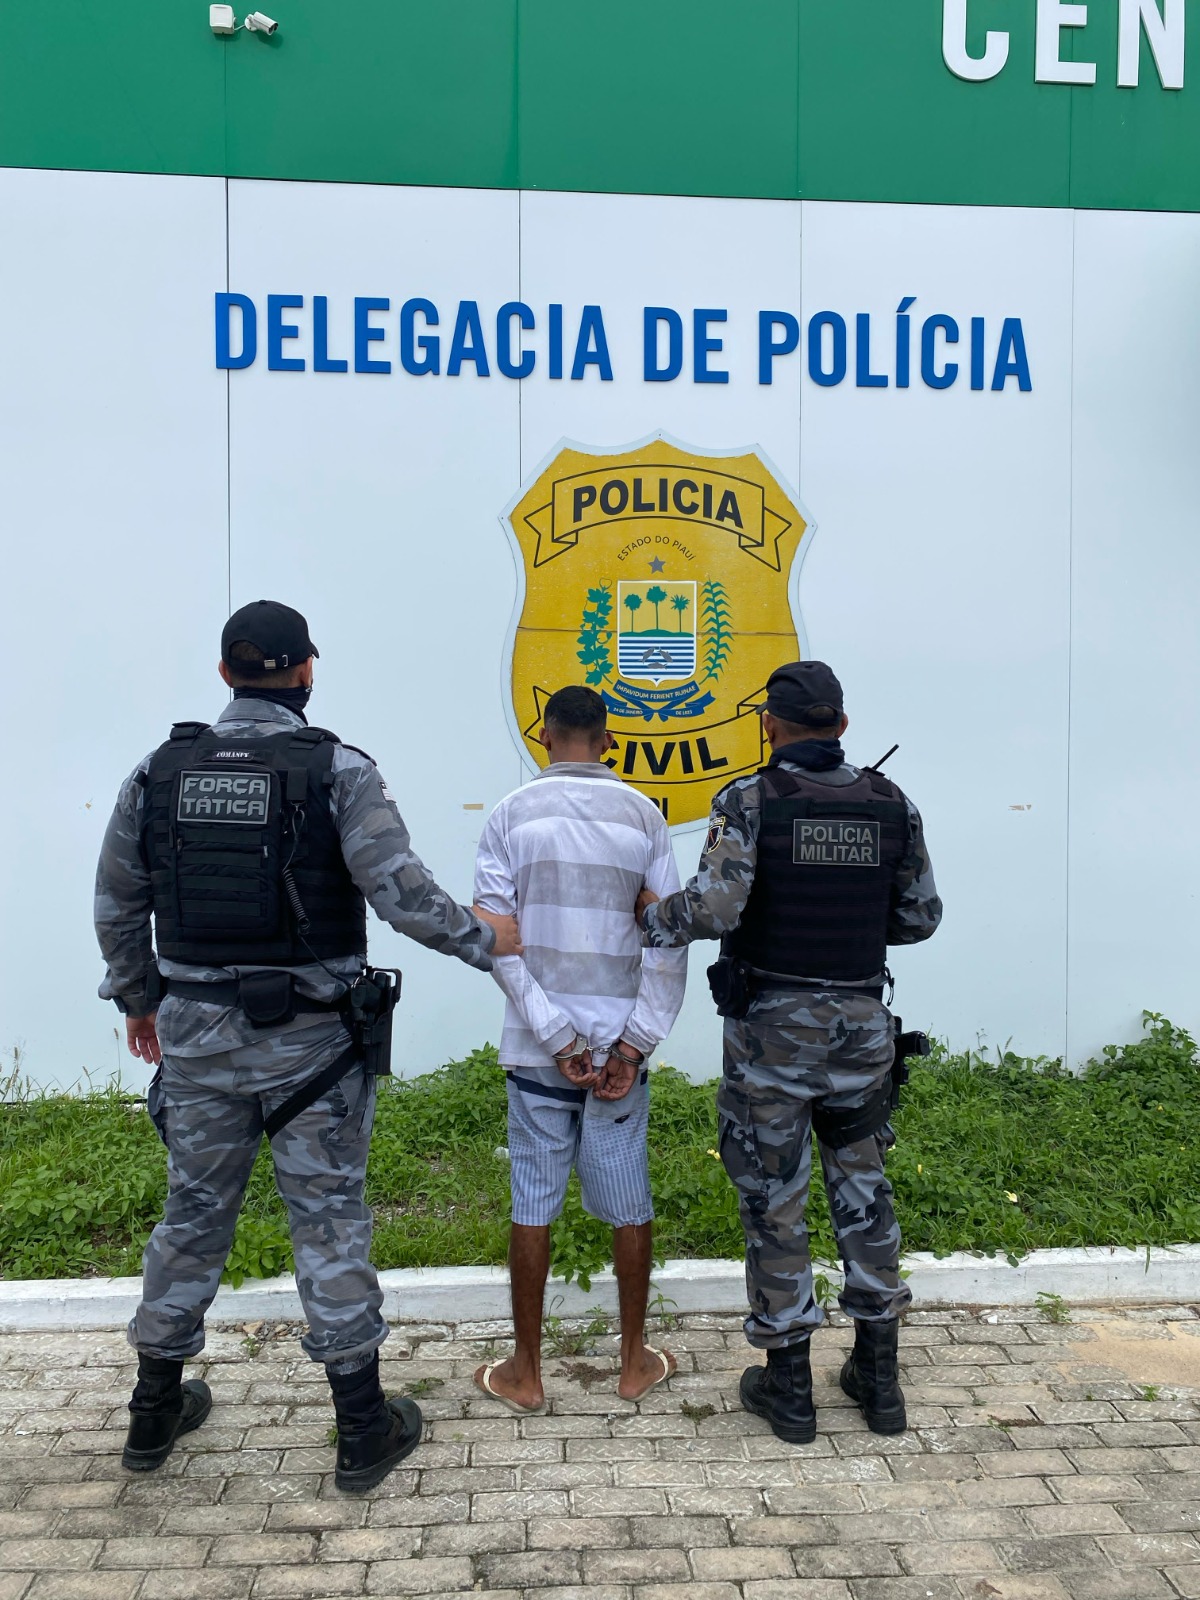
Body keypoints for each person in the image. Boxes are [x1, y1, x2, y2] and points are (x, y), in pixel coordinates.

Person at [94, 600, 520, 1492]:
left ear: (225, 673)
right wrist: (486, 939)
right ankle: (362, 1429)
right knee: (327, 1219)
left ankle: (152, 1412)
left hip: (196, 1038)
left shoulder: (157, 771)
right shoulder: (338, 769)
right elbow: (400, 893)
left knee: (191, 1217)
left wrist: (139, 1000)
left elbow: (118, 900)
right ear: (306, 671)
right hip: (311, 1048)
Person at [637, 661, 941, 1443]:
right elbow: (919, 918)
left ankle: (791, 1390)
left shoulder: (750, 800)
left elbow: (715, 909)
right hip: (861, 1032)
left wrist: (651, 917)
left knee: (774, 1197)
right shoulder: (891, 804)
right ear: (841, 724)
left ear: (770, 724)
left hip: (771, 1035)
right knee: (864, 1190)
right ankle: (879, 1382)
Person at [471, 685, 688, 1411]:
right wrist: (632, 1044)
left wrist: (555, 1035)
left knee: (532, 1203)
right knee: (629, 1202)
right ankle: (633, 1364)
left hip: (539, 1052)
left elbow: (497, 943)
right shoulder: (643, 816)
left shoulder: (510, 815)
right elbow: (667, 943)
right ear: (608, 740)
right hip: (619, 1052)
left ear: (544, 735)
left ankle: (526, 1373)